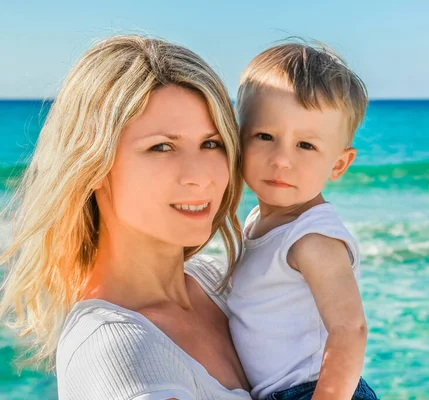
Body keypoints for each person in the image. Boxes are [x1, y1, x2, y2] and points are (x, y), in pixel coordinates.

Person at [0, 35, 252, 400]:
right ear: (94, 164)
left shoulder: (225, 283)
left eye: (212, 143)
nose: (201, 176)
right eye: (162, 146)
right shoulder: (115, 348)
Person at [227, 42, 378, 400]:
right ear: (237, 137)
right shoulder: (258, 222)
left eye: (306, 146)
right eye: (265, 136)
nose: (282, 160)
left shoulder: (312, 238)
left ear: (339, 164)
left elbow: (350, 329)